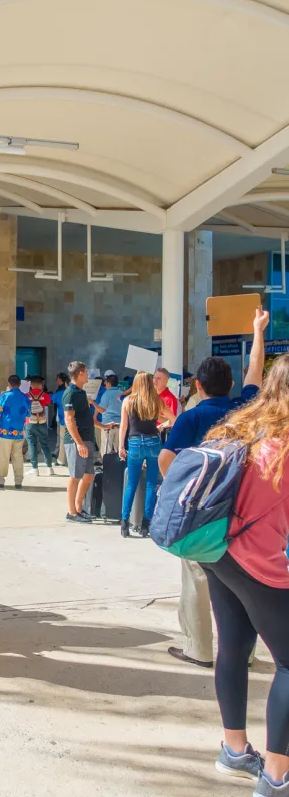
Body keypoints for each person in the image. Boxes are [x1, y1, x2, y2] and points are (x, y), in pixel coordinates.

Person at [199, 353, 289, 795]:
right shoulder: (285, 443)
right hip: (260, 561)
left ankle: (235, 750)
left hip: (217, 551)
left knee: (232, 646)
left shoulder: (239, 427)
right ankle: (276, 777)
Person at [159, 308, 268, 669]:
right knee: (243, 583)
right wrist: (257, 330)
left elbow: (165, 460)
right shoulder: (245, 408)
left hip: (203, 514)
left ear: (198, 386)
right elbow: (256, 369)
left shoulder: (190, 418)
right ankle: (244, 652)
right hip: (243, 512)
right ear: (231, 385)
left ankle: (198, 649)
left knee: (197, 579)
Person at [118, 372, 175, 538]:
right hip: (153, 443)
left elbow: (123, 426)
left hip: (134, 443)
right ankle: (145, 524)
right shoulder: (156, 400)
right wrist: (162, 426)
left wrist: (121, 445)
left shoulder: (128, 401)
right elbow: (173, 419)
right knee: (151, 484)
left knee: (131, 484)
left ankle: (124, 523)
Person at [63, 361, 114, 523]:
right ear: (79, 374)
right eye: (86, 372)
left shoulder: (81, 393)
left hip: (87, 440)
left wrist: (103, 426)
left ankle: (79, 508)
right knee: (75, 476)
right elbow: (69, 420)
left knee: (89, 475)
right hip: (76, 441)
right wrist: (79, 443)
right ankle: (71, 512)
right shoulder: (70, 393)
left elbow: (86, 418)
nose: (88, 376)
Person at [0, 375, 30, 490]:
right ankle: (18, 481)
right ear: (20, 384)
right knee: (18, 456)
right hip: (19, 431)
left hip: (6, 431)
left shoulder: (4, 396)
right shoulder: (25, 397)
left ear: (8, 384)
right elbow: (28, 414)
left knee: (4, 457)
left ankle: (0, 480)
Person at [24, 375, 55, 477]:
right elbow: (50, 404)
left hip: (30, 423)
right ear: (41, 385)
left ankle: (35, 469)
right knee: (45, 445)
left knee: (32, 445)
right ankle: (49, 467)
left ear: (31, 385)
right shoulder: (45, 395)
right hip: (42, 422)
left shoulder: (26, 395)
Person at [95, 373, 124, 454]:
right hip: (120, 424)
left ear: (108, 383)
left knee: (106, 448)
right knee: (118, 449)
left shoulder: (107, 394)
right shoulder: (122, 393)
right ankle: (119, 466)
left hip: (107, 424)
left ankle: (106, 466)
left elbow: (102, 410)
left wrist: (92, 403)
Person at [52, 372, 68, 467]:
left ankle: (61, 460)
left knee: (62, 439)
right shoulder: (77, 392)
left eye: (58, 379)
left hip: (63, 420)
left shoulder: (60, 393)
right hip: (74, 420)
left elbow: (51, 400)